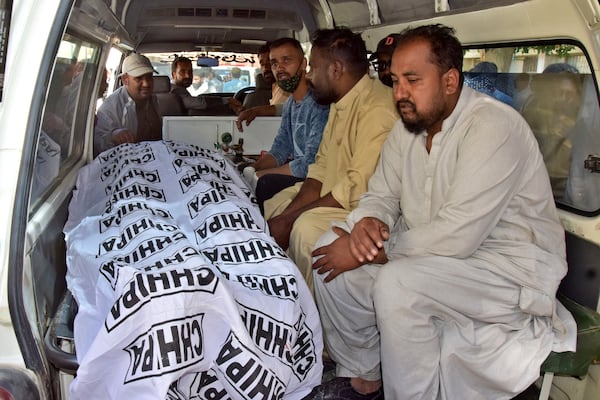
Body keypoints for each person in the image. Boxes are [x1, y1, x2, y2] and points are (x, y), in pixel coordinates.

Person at [308, 24, 576, 400]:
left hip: (505, 269)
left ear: (450, 81)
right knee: (327, 251)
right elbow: (381, 194)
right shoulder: (409, 127)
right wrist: (369, 221)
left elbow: (457, 235)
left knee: (397, 283)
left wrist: (371, 252)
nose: (399, 92)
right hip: (430, 255)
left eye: (413, 80)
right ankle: (364, 376)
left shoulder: (492, 126)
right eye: (396, 79)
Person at [263, 28, 398, 294]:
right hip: (335, 196)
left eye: (312, 66)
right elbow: (320, 169)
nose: (309, 74)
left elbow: (355, 188)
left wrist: (292, 219)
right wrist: (286, 215)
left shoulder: (377, 109)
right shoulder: (339, 102)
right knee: (276, 205)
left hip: (363, 208)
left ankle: (314, 317)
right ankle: (288, 297)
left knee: (304, 227)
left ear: (336, 70)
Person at [243, 37, 330, 213]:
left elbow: (311, 163)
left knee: (266, 183)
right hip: (299, 175)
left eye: (286, 60)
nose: (279, 68)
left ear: (304, 63)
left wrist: (261, 175)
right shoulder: (291, 104)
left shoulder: (319, 103)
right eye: (274, 63)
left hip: (317, 180)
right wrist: (252, 168)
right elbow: (280, 148)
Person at [94, 53, 161, 156]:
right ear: (125, 79)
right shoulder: (110, 108)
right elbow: (98, 144)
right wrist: (113, 136)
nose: (146, 84)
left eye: (149, 77)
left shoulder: (152, 99)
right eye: (139, 78)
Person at [235, 43, 291, 131]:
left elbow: (292, 109)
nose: (265, 68)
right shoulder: (273, 89)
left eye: (270, 62)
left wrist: (257, 111)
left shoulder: (289, 88)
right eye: (262, 64)